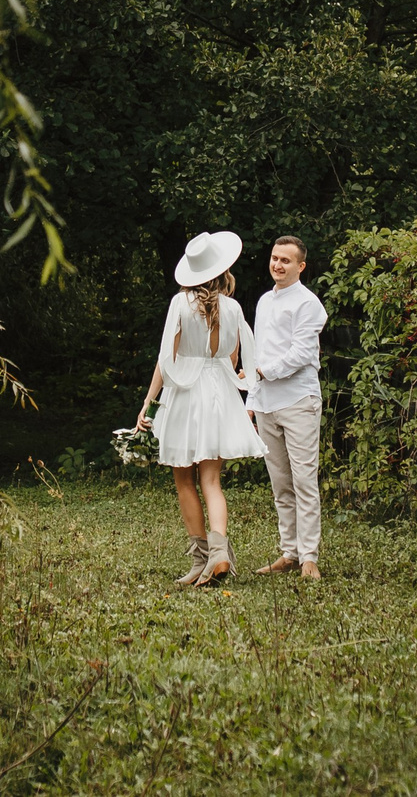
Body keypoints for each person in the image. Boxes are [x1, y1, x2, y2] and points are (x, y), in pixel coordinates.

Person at [132, 230, 265, 586]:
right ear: (222, 270)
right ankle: (218, 554)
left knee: (184, 481)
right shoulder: (233, 308)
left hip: (186, 393)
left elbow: (166, 359)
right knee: (212, 480)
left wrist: (149, 403)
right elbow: (234, 359)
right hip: (219, 393)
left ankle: (202, 558)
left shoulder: (180, 304)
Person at [247, 234, 328, 580]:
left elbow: (301, 354)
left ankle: (309, 557)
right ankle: (289, 553)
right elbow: (257, 354)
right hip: (267, 403)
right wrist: (252, 399)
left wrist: (262, 372)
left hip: (298, 401)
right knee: (280, 483)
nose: (277, 265)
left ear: (301, 266)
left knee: (304, 480)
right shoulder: (265, 301)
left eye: (286, 260)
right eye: (275, 258)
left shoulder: (309, 304)